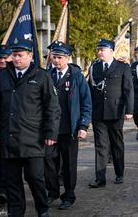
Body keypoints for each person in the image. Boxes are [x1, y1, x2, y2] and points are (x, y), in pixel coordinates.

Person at [0, 38, 61, 217]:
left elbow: (53, 108)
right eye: (13, 55)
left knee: (35, 179)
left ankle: (42, 209)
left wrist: (51, 133)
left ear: (30, 56)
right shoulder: (2, 76)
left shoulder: (41, 76)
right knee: (12, 182)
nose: (16, 59)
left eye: (19, 55)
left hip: (33, 139)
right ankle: (16, 212)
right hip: (9, 139)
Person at [44, 41, 92, 210]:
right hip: (50, 129)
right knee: (49, 161)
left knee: (69, 163)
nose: (56, 61)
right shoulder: (47, 75)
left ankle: (69, 194)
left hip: (70, 128)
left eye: (60, 57)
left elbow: (86, 101)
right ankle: (52, 191)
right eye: (54, 57)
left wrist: (83, 125)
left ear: (68, 58)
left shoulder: (76, 76)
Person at [89, 39, 134, 188]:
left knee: (116, 144)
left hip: (115, 111)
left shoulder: (122, 67)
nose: (100, 52)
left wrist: (129, 110)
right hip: (98, 112)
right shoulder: (94, 67)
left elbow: (128, 89)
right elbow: (90, 90)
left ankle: (119, 173)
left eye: (103, 49)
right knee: (100, 145)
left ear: (111, 51)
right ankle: (100, 178)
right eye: (99, 49)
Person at [0, 44, 12, 204]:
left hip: (6, 127)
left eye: (5, 57)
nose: (2, 60)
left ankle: (3, 191)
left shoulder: (12, 76)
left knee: (4, 163)